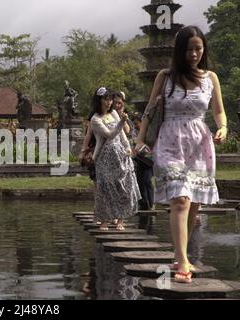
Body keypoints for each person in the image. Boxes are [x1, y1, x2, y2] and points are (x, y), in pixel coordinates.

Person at [134, 26, 228, 283]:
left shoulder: (211, 78)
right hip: (170, 139)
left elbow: (218, 110)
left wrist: (223, 127)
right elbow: (150, 111)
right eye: (189, 49)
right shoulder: (165, 77)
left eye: (198, 48)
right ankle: (183, 262)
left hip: (200, 142)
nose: (194, 54)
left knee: (194, 202)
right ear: (180, 51)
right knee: (180, 200)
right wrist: (140, 138)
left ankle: (180, 254)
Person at [90, 87, 141, 231]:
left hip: (120, 154)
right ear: (99, 100)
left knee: (123, 186)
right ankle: (104, 220)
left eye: (110, 99)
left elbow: (122, 136)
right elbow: (110, 134)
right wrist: (122, 122)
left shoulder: (113, 113)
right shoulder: (95, 119)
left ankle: (120, 220)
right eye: (105, 99)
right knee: (105, 187)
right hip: (104, 157)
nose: (108, 102)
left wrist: (127, 147)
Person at [131, 113, 154, 210]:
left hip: (148, 160)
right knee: (140, 181)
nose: (136, 126)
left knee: (147, 181)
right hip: (139, 160)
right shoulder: (135, 132)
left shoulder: (147, 132)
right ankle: (143, 203)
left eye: (137, 123)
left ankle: (150, 203)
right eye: (134, 124)